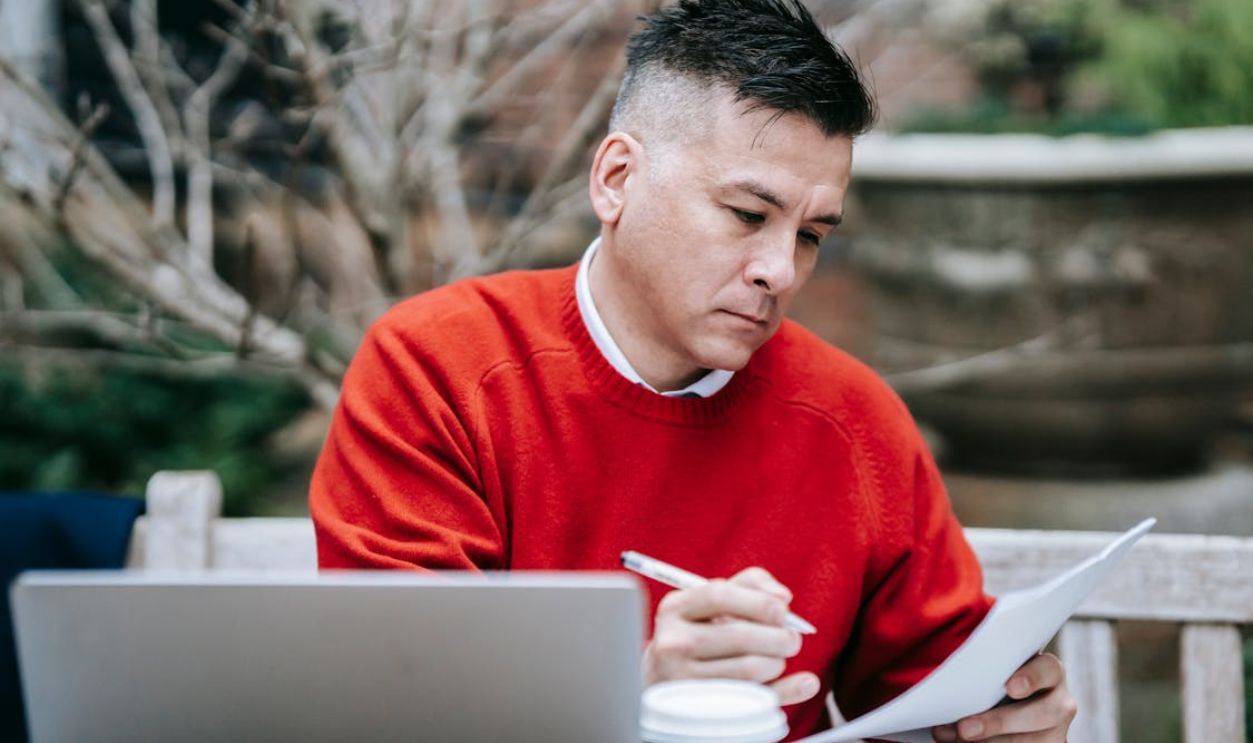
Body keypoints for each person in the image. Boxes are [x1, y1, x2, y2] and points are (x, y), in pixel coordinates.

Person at [309, 1, 1076, 740]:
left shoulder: (853, 421)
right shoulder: (437, 367)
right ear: (616, 180)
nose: (779, 270)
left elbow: (934, 695)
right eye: (747, 215)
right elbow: (401, 699)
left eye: (811, 234)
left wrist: (1001, 722)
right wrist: (630, 695)